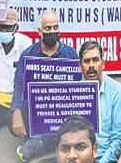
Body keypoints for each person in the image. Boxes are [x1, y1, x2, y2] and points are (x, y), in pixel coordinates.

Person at [11, 10, 79, 162]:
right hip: (35, 113)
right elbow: (19, 84)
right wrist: (16, 112)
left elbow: (79, 88)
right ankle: (56, 142)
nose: (52, 31)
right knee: (12, 123)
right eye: (48, 28)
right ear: (39, 31)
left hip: (62, 113)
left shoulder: (70, 55)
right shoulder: (28, 55)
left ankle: (39, 144)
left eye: (55, 28)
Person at [78, 41, 121, 163]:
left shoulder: (118, 92)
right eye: (87, 61)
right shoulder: (75, 92)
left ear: (103, 64)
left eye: (95, 60)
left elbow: (119, 138)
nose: (91, 66)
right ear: (80, 67)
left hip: (110, 158)